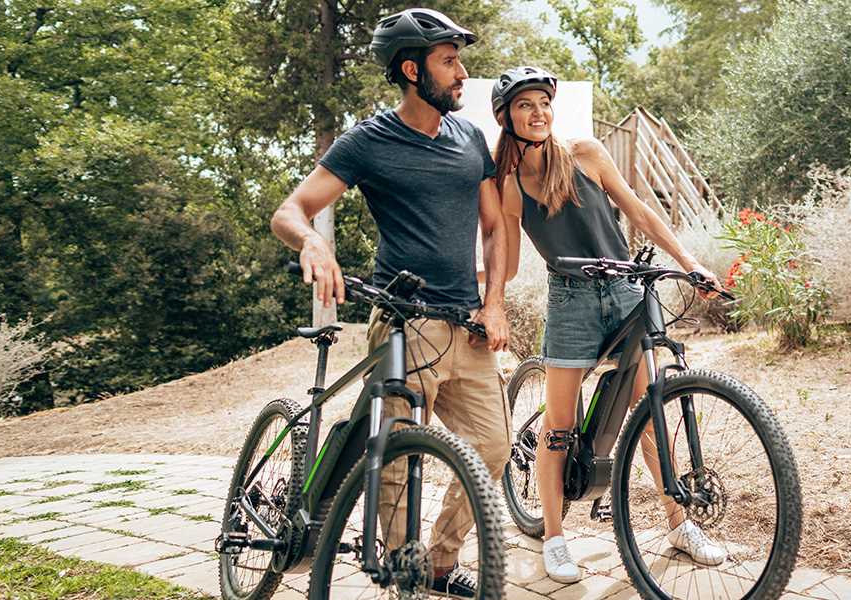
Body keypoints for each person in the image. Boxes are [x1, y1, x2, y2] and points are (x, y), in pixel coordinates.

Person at [269, 9, 510, 598]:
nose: (462, 73)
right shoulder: (369, 141)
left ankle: (437, 561)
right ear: (411, 68)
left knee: (495, 449)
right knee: (397, 458)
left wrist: (495, 301)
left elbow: (496, 228)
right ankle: (402, 571)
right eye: (449, 61)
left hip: (466, 324)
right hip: (405, 321)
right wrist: (315, 242)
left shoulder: (469, 139)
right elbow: (289, 212)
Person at [491, 66, 728, 584]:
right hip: (570, 299)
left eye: (543, 103)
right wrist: (491, 302)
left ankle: (678, 523)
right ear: (506, 117)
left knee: (651, 415)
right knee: (559, 428)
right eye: (525, 105)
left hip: (625, 290)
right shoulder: (510, 184)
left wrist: (689, 260)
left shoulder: (585, 153)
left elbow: (639, 211)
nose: (538, 113)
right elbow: (506, 259)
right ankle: (555, 537)